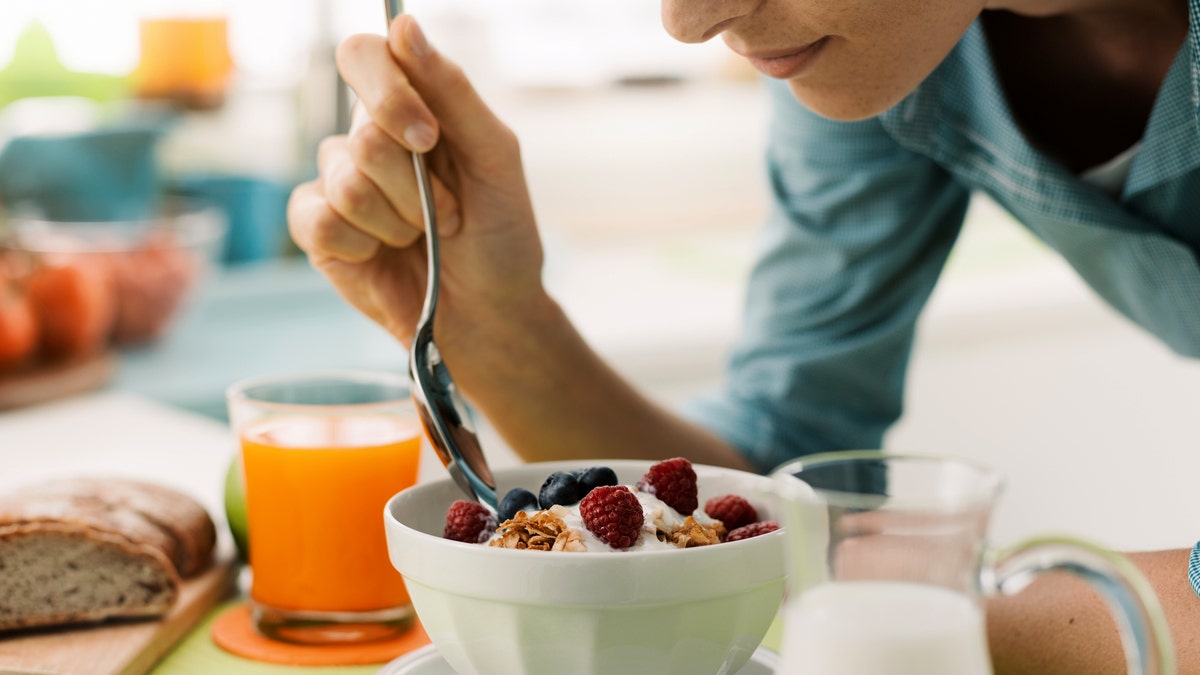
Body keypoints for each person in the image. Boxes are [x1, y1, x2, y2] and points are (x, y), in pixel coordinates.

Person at [287, 0, 1200, 671]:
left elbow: (769, 558)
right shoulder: (884, 48)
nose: (687, 21)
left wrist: (872, 624)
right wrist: (492, 323)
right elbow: (760, 491)